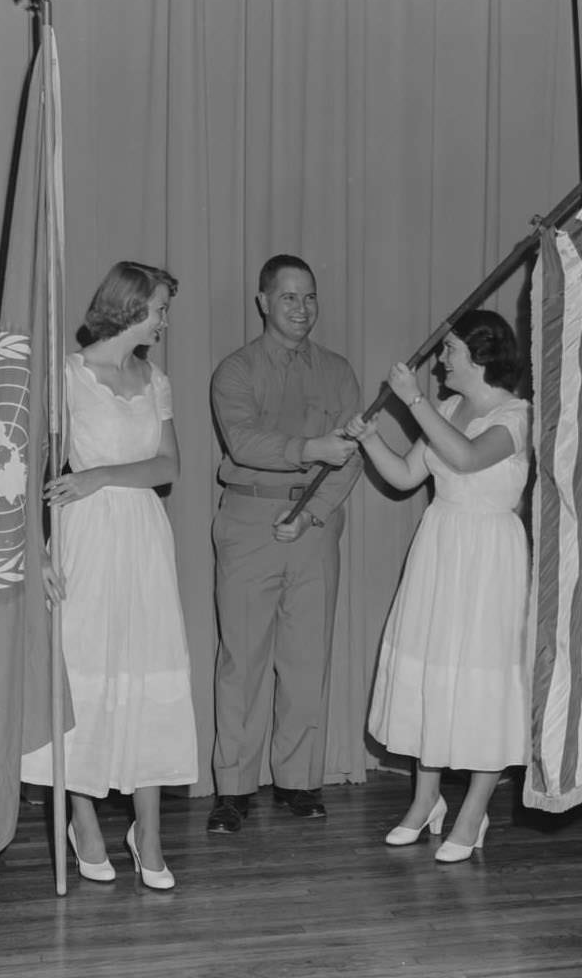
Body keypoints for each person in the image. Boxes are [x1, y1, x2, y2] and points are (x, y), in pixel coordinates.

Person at [20, 261, 198, 889]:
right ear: (128, 310)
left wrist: (98, 476)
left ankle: (147, 833)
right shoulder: (64, 377)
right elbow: (22, 472)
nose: (166, 321)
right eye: (160, 309)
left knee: (147, 674)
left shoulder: (156, 380)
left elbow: (168, 466)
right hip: (84, 539)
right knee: (85, 676)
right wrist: (37, 551)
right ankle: (84, 820)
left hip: (144, 537)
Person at [342, 309, 530, 863]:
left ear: (478, 355)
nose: (441, 360)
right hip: (440, 547)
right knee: (433, 673)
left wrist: (412, 401)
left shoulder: (517, 416)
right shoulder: (448, 408)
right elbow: (404, 476)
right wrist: (370, 438)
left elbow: (468, 458)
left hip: (489, 558)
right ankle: (425, 803)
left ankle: (473, 812)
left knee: (481, 683)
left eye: (449, 350)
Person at [206, 254, 362, 833]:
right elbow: (244, 441)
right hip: (250, 521)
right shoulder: (236, 370)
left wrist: (314, 512)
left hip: (314, 526)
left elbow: (351, 454)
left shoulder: (339, 371)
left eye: (310, 297)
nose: (301, 309)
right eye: (289, 297)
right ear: (263, 302)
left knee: (305, 660)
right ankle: (233, 789)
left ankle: (299, 781)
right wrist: (309, 450)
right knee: (242, 660)